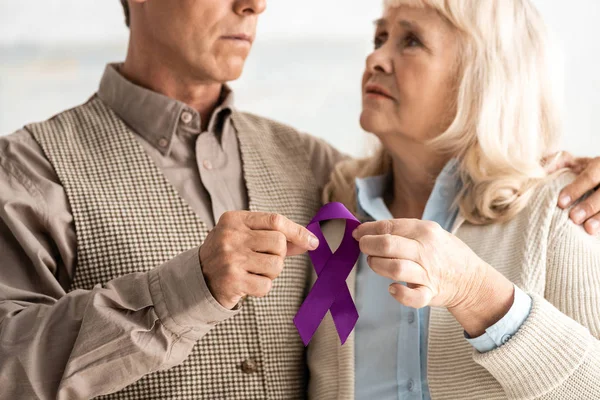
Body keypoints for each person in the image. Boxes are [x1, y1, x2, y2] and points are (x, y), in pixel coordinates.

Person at [0, 1, 599, 399]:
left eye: (408, 40)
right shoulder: (26, 171)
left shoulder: (315, 169)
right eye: (381, 36)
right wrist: (188, 288)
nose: (254, 3)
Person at [308, 0, 600, 399]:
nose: (375, 57)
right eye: (380, 38)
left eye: (410, 41)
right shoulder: (333, 225)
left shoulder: (563, 210)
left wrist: (480, 295)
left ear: (482, 78)